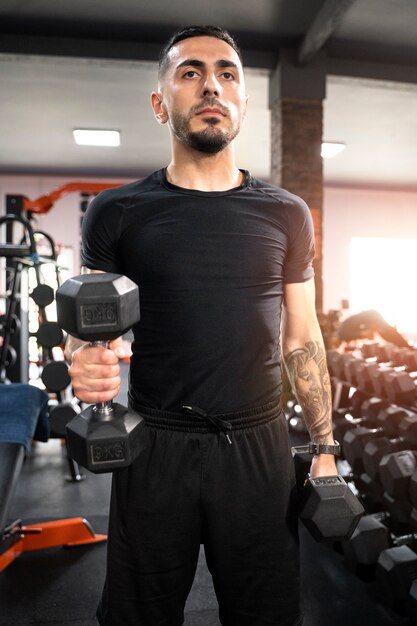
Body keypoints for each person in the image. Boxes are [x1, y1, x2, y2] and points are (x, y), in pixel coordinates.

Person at [65, 25, 338, 626]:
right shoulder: (117, 212)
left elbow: (303, 338)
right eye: (190, 72)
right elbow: (90, 328)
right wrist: (82, 362)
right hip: (154, 446)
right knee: (139, 613)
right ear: (161, 103)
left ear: (241, 103)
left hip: (260, 446)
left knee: (266, 611)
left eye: (227, 73)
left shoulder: (287, 213)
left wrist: (324, 448)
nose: (211, 84)